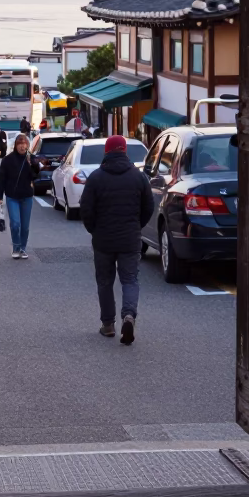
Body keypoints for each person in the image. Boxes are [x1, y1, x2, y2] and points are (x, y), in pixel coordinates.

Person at [79, 135, 152, 345]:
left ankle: (108, 324)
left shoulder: (96, 177)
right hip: (130, 238)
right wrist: (136, 226)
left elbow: (86, 209)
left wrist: (93, 229)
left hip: (103, 239)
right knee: (130, 279)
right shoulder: (138, 177)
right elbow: (148, 207)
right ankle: (128, 316)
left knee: (105, 281)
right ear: (125, 151)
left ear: (107, 151)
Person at [0, 132, 39, 259]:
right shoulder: (7, 160)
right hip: (12, 196)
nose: (22, 146)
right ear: (15, 145)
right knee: (15, 224)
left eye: (24, 144)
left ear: (27, 145)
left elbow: (35, 177)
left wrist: (34, 165)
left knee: (25, 227)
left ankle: (23, 249)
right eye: (19, 144)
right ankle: (16, 247)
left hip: (26, 197)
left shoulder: (30, 159)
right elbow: (1, 179)